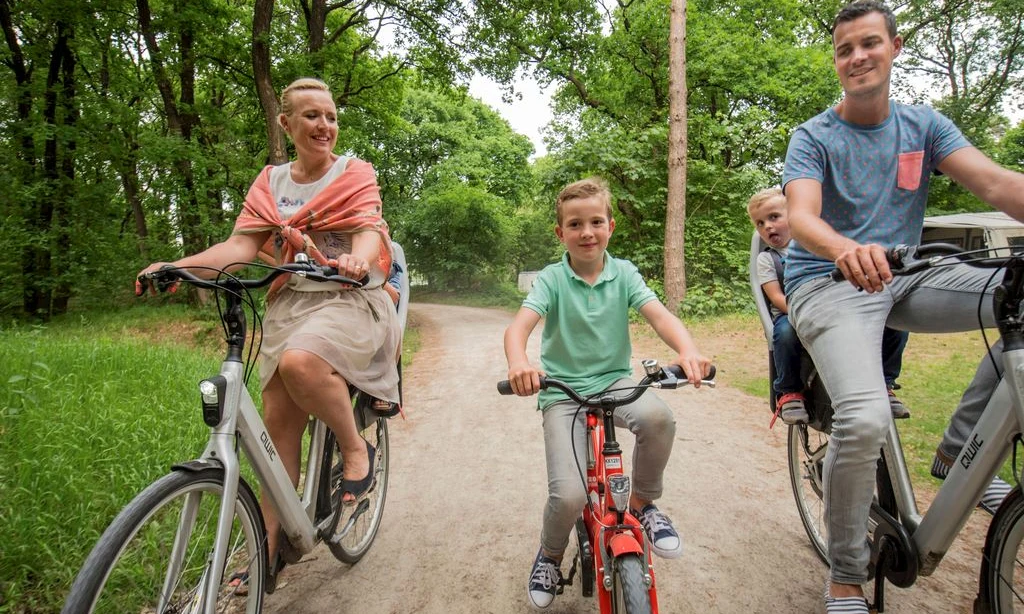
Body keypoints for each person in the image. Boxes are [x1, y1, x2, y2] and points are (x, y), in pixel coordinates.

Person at [781, 2, 1024, 611]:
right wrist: (843, 249)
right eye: (845, 49)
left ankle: (957, 443)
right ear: (836, 60)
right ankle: (845, 574)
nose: (858, 57)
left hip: (910, 276)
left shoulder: (924, 125)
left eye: (869, 43)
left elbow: (995, 184)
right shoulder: (813, 136)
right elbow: (802, 218)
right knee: (863, 419)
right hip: (826, 282)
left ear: (895, 47)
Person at [137, 77, 401, 587]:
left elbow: (369, 232)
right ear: (286, 123)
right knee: (276, 435)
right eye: (311, 116)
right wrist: (175, 264)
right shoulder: (270, 183)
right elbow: (238, 248)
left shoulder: (355, 173)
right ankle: (269, 551)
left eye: (330, 116)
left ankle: (354, 450)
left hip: (350, 300)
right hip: (290, 304)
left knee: (302, 362)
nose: (324, 125)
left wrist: (356, 259)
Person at [503, 177, 712, 610]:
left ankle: (644, 504)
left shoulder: (626, 273)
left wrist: (688, 350)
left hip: (616, 381)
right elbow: (519, 327)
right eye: (575, 224)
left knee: (659, 419)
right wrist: (519, 363)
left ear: (610, 227)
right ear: (560, 233)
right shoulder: (552, 279)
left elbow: (658, 315)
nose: (587, 232)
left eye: (596, 221)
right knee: (570, 495)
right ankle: (550, 554)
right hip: (563, 392)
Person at [747, 187, 910, 424]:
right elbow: (776, 297)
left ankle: (885, 382)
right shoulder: (767, 259)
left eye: (774, 217)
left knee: (896, 323)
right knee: (784, 333)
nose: (767, 227)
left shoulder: (820, 247)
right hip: (791, 312)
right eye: (760, 223)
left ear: (795, 215)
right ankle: (789, 391)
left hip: (832, 305)